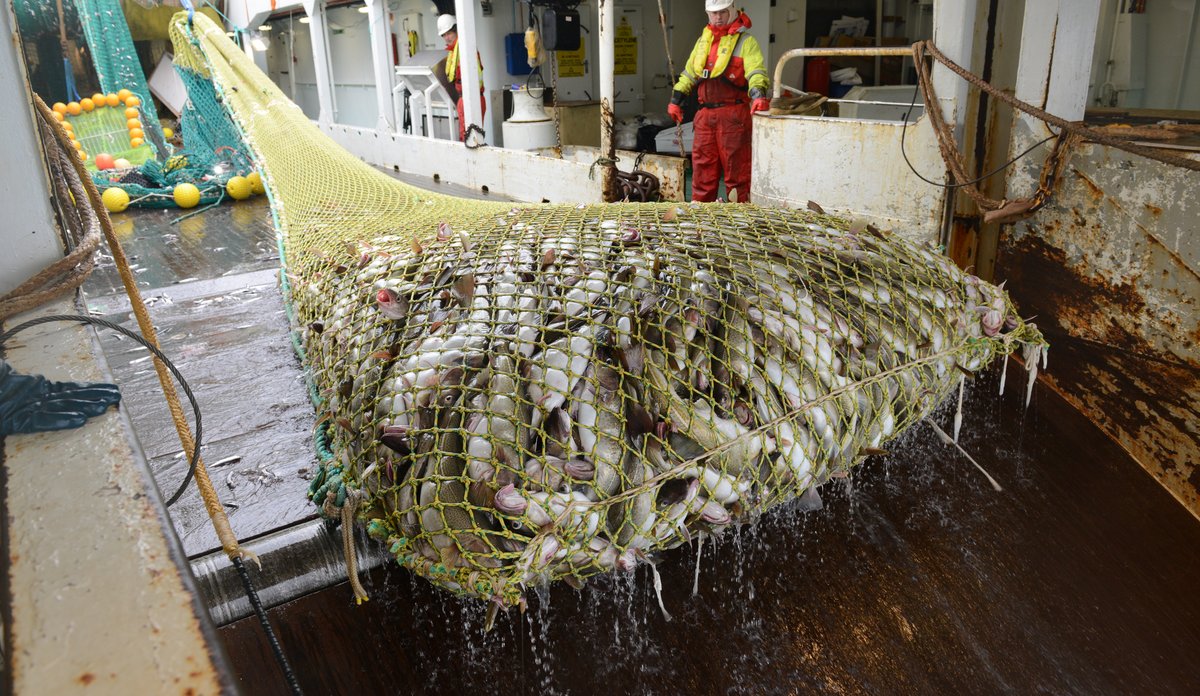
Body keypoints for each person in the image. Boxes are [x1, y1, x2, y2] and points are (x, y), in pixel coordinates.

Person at [668, 1, 770, 203]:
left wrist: (759, 95)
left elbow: (756, 71)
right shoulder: (702, 42)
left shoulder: (746, 42)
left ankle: (740, 222)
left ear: (733, 11)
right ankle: (702, 221)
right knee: (702, 170)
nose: (718, 17)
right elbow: (689, 74)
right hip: (704, 116)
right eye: (713, 13)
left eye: (723, 12)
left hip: (733, 115)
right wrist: (675, 100)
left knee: (737, 171)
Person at [438, 14, 487, 142]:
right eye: (444, 35)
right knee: (464, 138)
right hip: (463, 99)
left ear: (456, 30)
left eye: (449, 33)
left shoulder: (466, 48)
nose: (446, 38)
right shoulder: (453, 51)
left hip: (473, 98)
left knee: (472, 139)